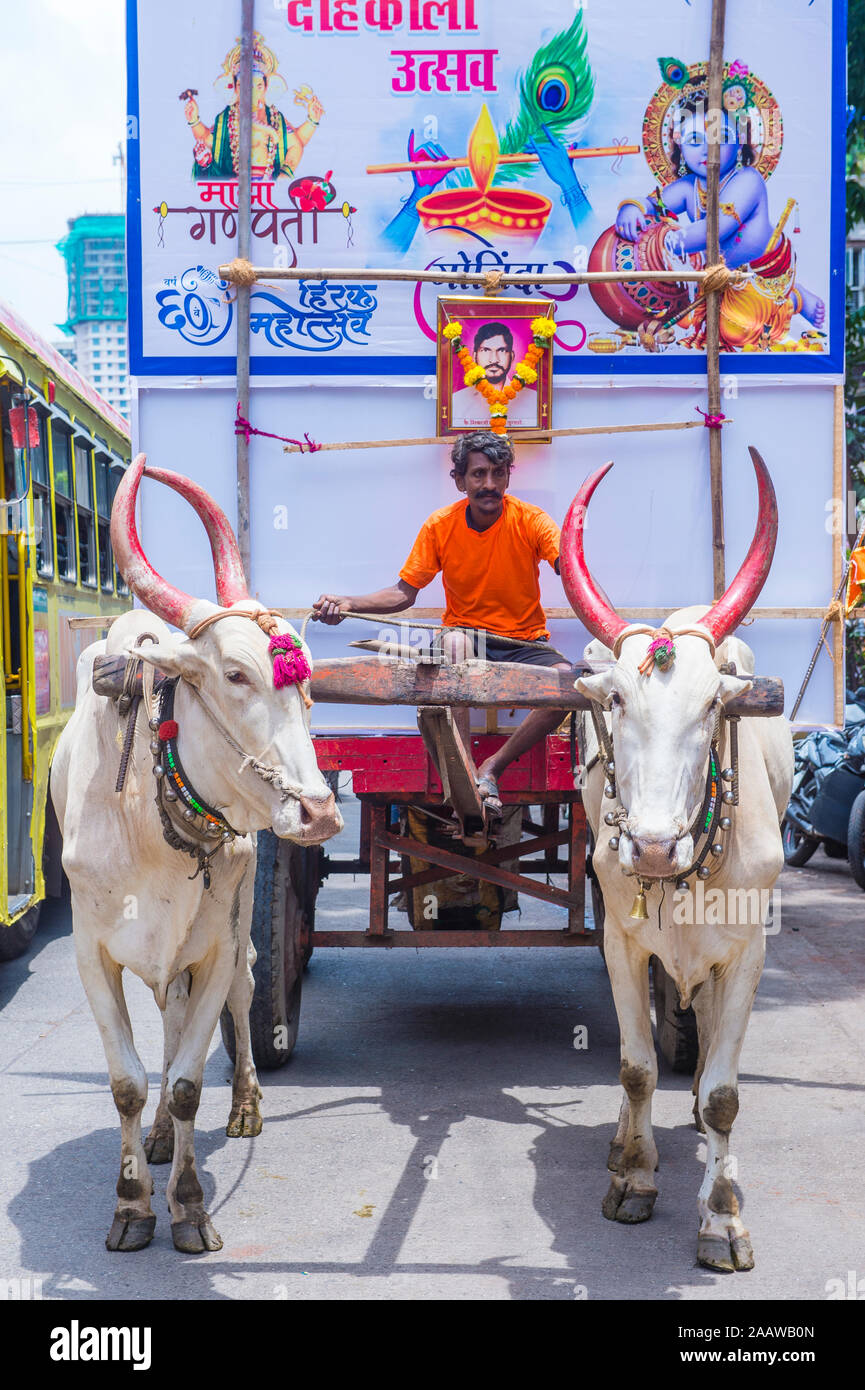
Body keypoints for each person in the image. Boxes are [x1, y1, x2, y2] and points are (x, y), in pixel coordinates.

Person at [312, 430, 570, 816]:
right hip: (465, 637)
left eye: (498, 474)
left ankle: (490, 769)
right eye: (479, 474)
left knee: (567, 682)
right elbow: (404, 593)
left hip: (525, 642)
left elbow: (569, 568)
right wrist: (348, 603)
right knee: (453, 645)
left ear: (508, 478)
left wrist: (577, 573)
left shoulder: (531, 520)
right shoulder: (440, 525)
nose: (489, 484)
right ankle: (464, 772)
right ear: (459, 480)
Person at [183, 30, 323, 182]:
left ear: (266, 87)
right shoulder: (226, 119)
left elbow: (296, 144)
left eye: (258, 86)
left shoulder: (274, 118)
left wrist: (312, 121)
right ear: (235, 89)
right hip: (235, 186)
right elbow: (207, 141)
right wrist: (194, 120)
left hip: (267, 186)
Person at [450, 323, 539, 430]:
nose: (494, 359)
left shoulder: (534, 401)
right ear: (474, 356)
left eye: (501, 350)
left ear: (512, 356)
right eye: (485, 350)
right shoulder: (456, 401)